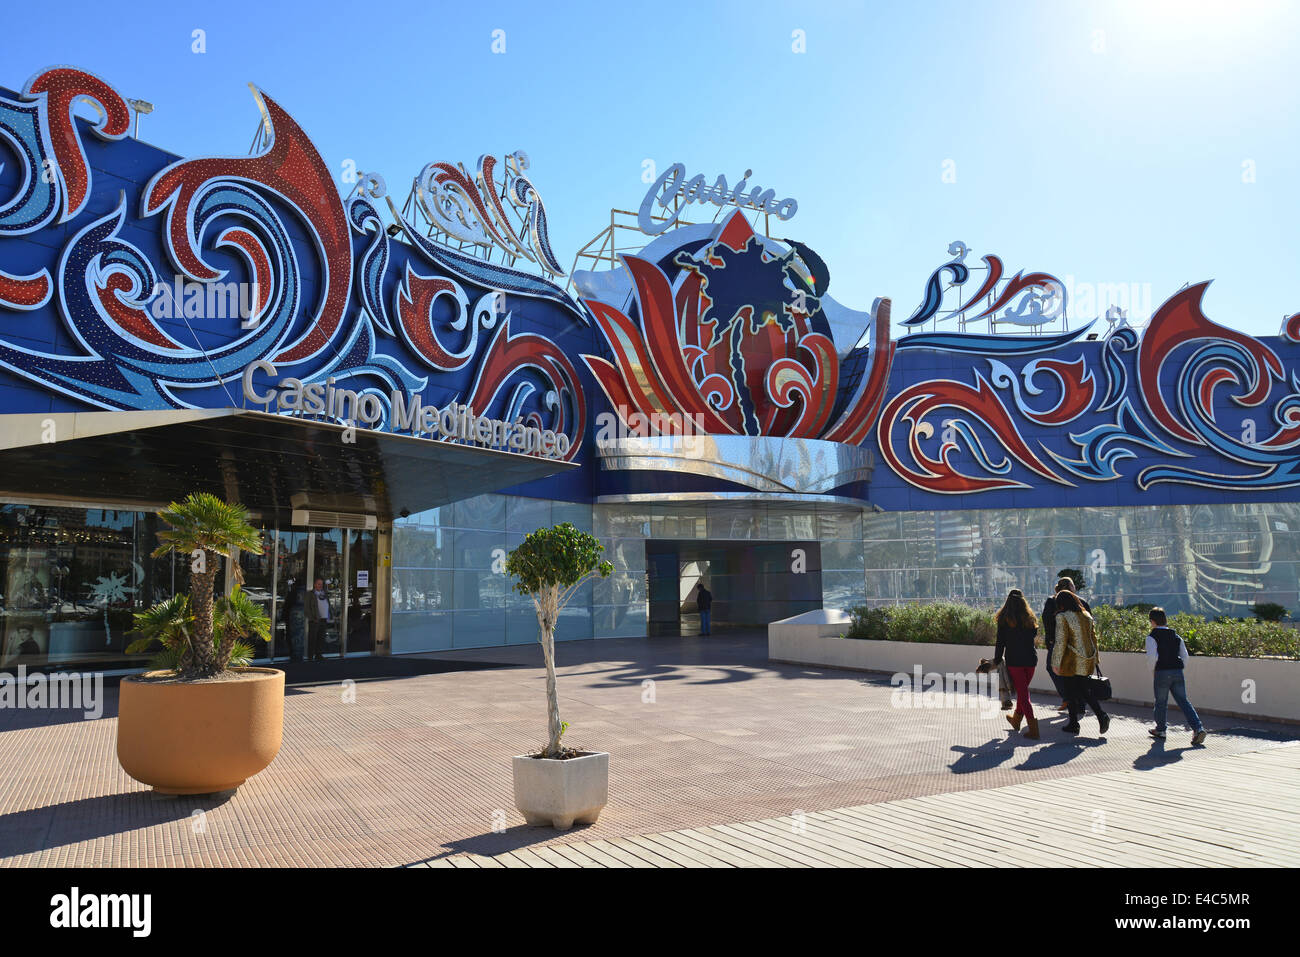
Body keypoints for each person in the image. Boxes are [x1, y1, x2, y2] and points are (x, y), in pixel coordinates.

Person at [1050, 589, 1110, 736]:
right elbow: (1093, 638)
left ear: (1061, 604)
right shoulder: (1086, 615)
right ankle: (1102, 716)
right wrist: (1095, 659)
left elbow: (1060, 641)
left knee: (1069, 692)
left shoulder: (1062, 617)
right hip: (1086, 659)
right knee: (1085, 690)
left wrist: (1055, 662)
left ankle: (1073, 724)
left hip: (1070, 660)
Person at [1146, 607, 1208, 745]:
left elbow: (1152, 658)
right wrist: (1179, 669)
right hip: (1177, 672)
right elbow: (1184, 656)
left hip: (1161, 672)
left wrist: (1154, 672)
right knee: (1184, 701)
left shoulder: (1152, 637)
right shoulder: (1176, 636)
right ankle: (1198, 728)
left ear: (1153, 621)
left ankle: (1161, 730)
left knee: (1161, 702)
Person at [992, 588, 1040, 739]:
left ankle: (1033, 729)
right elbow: (1033, 635)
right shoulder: (1030, 618)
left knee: (1023, 694)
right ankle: (1016, 720)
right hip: (1031, 660)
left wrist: (997, 660)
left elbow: (1000, 642)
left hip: (1015, 661)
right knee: (1023, 691)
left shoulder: (1004, 619)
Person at [1041, 577, 1090, 713]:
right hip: (1077, 645)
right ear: (1070, 587)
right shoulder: (1081, 602)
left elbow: (1047, 622)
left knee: (1054, 669)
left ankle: (1069, 698)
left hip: (1059, 644)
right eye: (1073, 585)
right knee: (1077, 673)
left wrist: (1050, 640)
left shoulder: (1052, 601)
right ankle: (1079, 704)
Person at [304, 578, 332, 661]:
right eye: (319, 584)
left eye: (321, 584)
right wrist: (312, 618)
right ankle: (310, 656)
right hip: (315, 620)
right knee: (312, 639)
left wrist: (329, 615)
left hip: (324, 619)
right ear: (314, 585)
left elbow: (328, 605)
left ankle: (318, 654)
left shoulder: (324, 593)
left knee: (321, 638)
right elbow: (306, 608)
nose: (320, 586)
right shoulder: (310, 594)